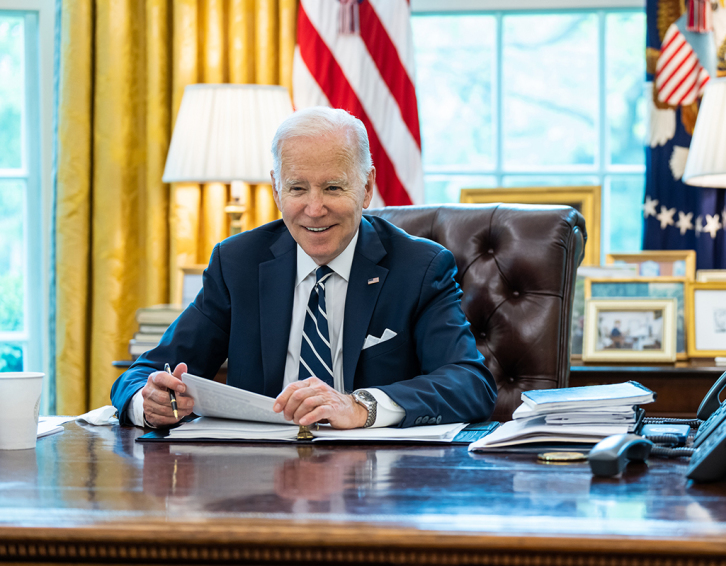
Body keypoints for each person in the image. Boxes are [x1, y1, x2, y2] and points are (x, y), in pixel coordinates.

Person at [111, 107, 497, 430]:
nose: (314, 209)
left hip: (377, 482)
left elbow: (469, 383)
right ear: (277, 189)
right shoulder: (238, 263)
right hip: (259, 482)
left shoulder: (419, 267)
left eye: (332, 188)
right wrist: (148, 404)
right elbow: (144, 371)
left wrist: (360, 407)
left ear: (366, 188)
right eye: (298, 189)